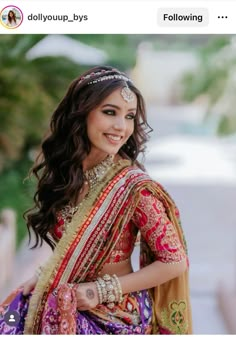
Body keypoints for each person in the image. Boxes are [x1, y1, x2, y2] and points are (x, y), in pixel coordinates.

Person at [0, 66, 192, 334]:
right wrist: (45, 275)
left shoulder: (135, 189)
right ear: (81, 113)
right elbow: (71, 248)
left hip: (113, 313)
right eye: (110, 112)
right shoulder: (69, 176)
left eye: (129, 116)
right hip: (63, 299)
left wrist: (101, 290)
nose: (121, 126)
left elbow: (175, 261)